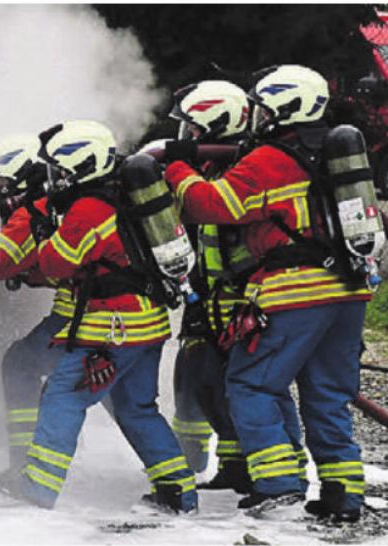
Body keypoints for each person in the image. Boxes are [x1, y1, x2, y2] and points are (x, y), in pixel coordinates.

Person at [163, 65, 370, 520]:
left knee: (251, 384)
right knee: (328, 394)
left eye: (260, 107)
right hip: (349, 291)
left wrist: (176, 163)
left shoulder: (270, 159)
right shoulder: (327, 153)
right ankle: (342, 496)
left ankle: (280, 489)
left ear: (282, 107)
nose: (254, 115)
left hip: (294, 290)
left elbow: (210, 206)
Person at [3, 120, 197, 513]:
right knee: (136, 408)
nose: (56, 178)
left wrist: (44, 233)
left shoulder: (89, 209)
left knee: (63, 398)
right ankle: (179, 491)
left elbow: (58, 263)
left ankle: (37, 491)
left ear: (82, 166)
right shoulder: (122, 195)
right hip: (149, 325)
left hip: (113, 329)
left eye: (62, 169)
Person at [162, 80, 304, 494]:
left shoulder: (243, 166)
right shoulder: (211, 165)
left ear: (214, 121)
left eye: (192, 127)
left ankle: (279, 472)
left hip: (245, 295)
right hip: (210, 292)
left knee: (250, 382)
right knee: (203, 379)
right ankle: (230, 465)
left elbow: (218, 210)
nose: (186, 135)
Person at [0, 135, 115, 495]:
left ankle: (26, 463)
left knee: (22, 365)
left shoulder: (32, 212)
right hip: (107, 317)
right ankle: (178, 479)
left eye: (5, 183)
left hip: (84, 318)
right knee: (126, 398)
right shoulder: (54, 204)